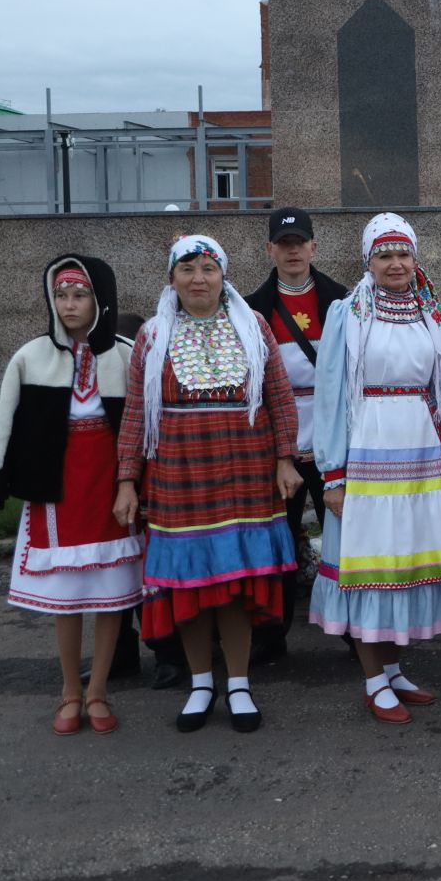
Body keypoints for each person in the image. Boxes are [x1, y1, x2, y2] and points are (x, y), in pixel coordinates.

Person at [115, 236, 302, 733]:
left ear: (223, 275)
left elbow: (280, 398)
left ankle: (238, 684)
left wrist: (286, 458)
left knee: (234, 586)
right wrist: (126, 481)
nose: (199, 278)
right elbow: (136, 413)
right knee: (192, 586)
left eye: (208, 268)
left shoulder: (253, 326)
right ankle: (201, 683)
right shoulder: (153, 336)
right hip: (179, 474)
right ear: (171, 278)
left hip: (245, 470)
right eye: (187, 269)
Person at [0, 256, 142, 735]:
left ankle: (99, 691)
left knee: (110, 595)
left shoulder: (127, 355)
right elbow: (4, 420)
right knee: (67, 596)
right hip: (57, 484)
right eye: (62, 295)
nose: (69, 305)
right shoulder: (30, 357)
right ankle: (70, 690)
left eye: (80, 295)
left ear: (100, 299)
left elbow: (144, 425)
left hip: (111, 485)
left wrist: (142, 481)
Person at [308, 214, 441, 724]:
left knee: (405, 565)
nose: (395, 264)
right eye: (384, 256)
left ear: (415, 259)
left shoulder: (434, 315)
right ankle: (373, 678)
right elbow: (330, 394)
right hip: (366, 451)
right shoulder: (346, 313)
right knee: (370, 566)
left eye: (403, 255)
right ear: (368, 262)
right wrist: (333, 474)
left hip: (418, 452)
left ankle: (394, 671)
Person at [244, 206, 349, 663]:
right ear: (270, 249)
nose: (292, 252)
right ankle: (271, 633)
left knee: (343, 537)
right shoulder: (251, 309)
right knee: (278, 540)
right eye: (283, 245)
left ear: (313, 248)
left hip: (332, 440)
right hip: (279, 444)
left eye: (299, 243)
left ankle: (353, 629)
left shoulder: (343, 301)